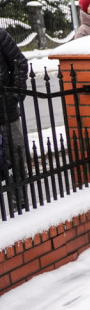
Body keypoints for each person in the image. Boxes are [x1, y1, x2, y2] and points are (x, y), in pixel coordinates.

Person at [1, 28, 29, 211]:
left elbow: (19, 62)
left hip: (7, 112)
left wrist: (14, 95)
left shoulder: (1, 36)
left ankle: (18, 202)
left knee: (16, 157)